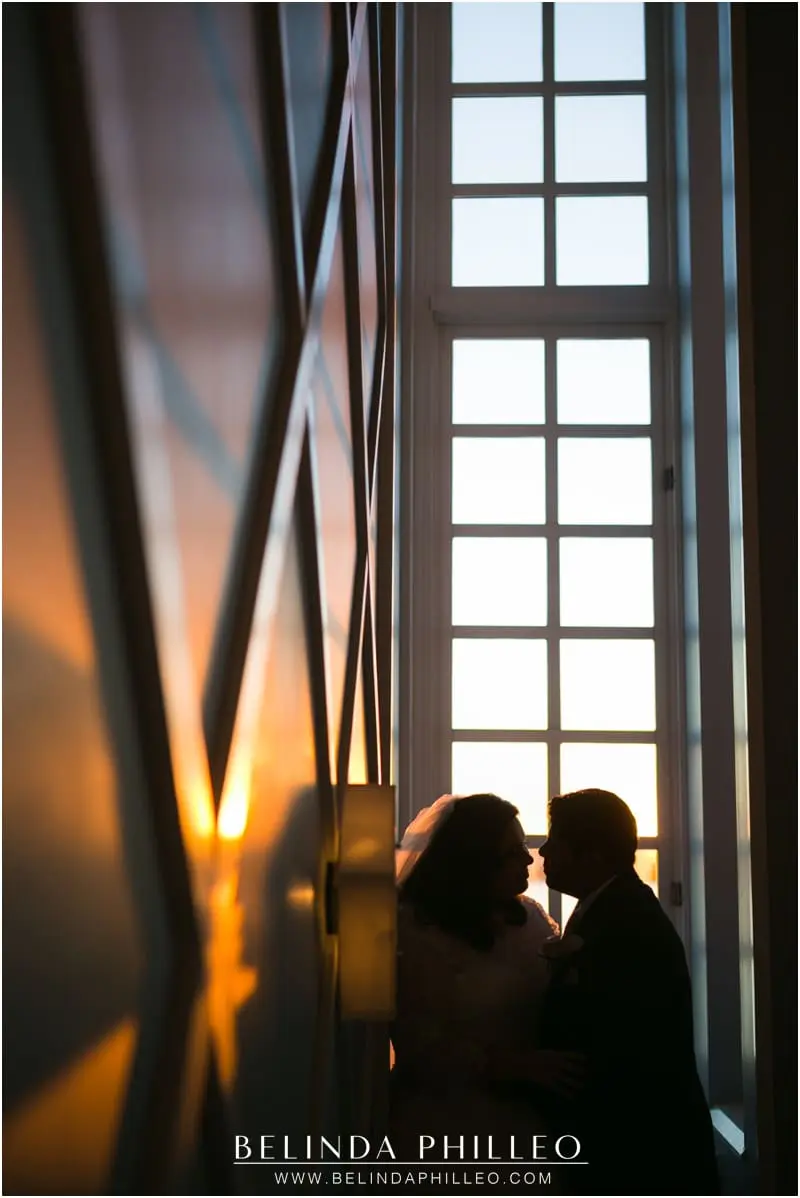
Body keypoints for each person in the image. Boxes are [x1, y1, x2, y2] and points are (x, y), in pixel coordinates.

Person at [537, 788, 720, 1196]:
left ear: (595, 852)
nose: (543, 850)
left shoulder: (627, 920)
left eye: (557, 839)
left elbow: (621, 1041)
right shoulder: (607, 907)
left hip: (638, 1150)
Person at [390, 793, 584, 1163]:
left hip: (523, 1117)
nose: (530, 858)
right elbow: (416, 1041)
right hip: (444, 1125)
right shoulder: (417, 932)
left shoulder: (529, 920)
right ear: (475, 861)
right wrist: (509, 1065)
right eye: (513, 852)